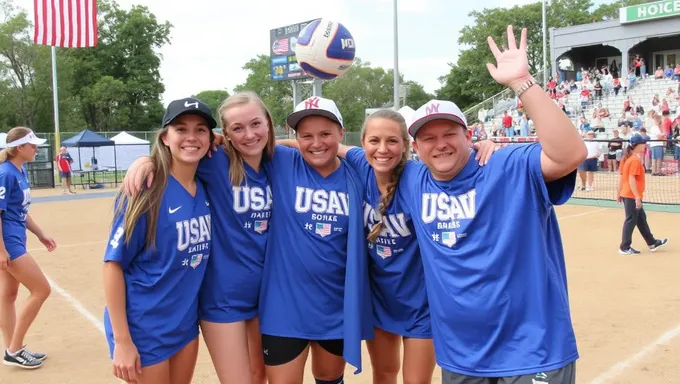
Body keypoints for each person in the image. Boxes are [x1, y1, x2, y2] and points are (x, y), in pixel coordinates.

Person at [397, 25, 586, 382]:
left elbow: (570, 154)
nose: (440, 144)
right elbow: (345, 154)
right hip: (460, 356)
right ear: (416, 148)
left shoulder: (506, 164)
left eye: (449, 134)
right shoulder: (412, 179)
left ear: (468, 136)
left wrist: (522, 83)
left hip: (534, 350)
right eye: (428, 138)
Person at [277, 110, 497, 384]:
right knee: (384, 374)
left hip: (421, 303)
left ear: (406, 145)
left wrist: (481, 147)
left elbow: (457, 166)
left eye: (392, 141)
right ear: (363, 143)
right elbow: (313, 144)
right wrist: (225, 140)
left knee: (416, 381)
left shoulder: (419, 177)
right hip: (379, 299)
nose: (382, 150)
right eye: (374, 141)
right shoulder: (359, 163)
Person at [123, 91, 277, 384]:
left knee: (260, 374)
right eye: (237, 129)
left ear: (268, 123)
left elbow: (299, 146)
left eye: (256, 124)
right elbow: (180, 152)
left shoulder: (277, 163)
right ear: (225, 134)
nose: (248, 135)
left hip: (267, 294)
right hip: (223, 298)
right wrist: (146, 161)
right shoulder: (216, 162)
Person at [258, 96, 371, 384]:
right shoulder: (283, 162)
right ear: (295, 138)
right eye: (306, 136)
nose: (316, 143)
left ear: (341, 134)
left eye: (325, 134)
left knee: (329, 379)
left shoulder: (356, 172)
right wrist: (148, 160)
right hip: (284, 306)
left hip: (336, 305)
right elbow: (239, 145)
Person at [102, 98, 215, 383]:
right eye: (181, 129)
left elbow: (255, 145)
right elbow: (112, 266)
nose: (191, 137)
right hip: (144, 327)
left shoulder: (205, 185)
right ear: (165, 137)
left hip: (185, 324)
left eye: (201, 130)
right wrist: (123, 341)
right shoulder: (146, 191)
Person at [0, 127, 55, 369]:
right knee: (42, 289)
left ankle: (13, 346)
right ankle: (14, 349)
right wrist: (2, 251)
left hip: (15, 239)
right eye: (33, 145)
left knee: (8, 296)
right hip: (7, 243)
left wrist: (41, 234)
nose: (37, 149)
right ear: (19, 148)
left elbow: (20, 212)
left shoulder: (19, 172)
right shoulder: (5, 174)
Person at [617, 134, 668, 255]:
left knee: (641, 219)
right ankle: (625, 247)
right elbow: (631, 179)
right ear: (637, 145)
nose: (645, 145)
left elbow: (621, 177)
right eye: (643, 143)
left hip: (627, 194)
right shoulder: (634, 160)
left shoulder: (626, 158)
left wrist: (618, 192)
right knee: (631, 220)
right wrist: (637, 197)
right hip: (631, 195)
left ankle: (652, 242)